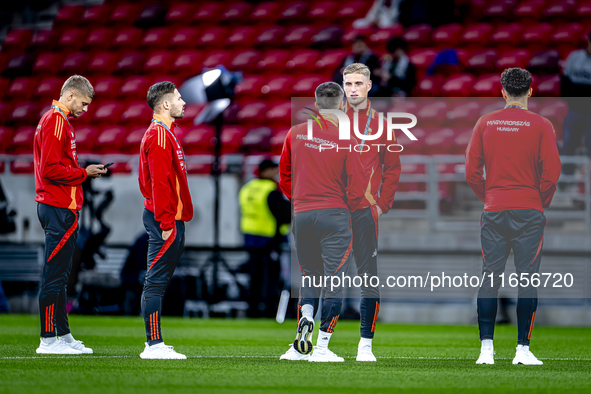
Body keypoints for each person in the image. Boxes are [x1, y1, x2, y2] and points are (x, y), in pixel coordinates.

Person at [465, 68, 561, 365]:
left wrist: (490, 196)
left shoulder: (485, 122)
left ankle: (486, 351)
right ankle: (522, 349)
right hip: (530, 210)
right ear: (530, 91)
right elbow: (552, 173)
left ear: (502, 91)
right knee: (527, 279)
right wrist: (538, 201)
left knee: (489, 278)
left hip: (494, 210)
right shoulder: (542, 124)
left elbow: (470, 172)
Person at [278, 82, 367, 362]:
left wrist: (302, 199)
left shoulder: (295, 133)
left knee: (310, 276)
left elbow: (284, 177)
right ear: (341, 106)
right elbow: (357, 184)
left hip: (302, 214)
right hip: (335, 215)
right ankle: (322, 346)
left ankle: (300, 336)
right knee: (334, 281)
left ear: (316, 106)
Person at [34, 75, 106, 354]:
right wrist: (83, 173)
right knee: (54, 275)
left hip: (61, 206)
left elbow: (56, 165)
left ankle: (62, 335)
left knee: (62, 275)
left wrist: (83, 173)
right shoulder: (55, 121)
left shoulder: (57, 121)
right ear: (70, 95)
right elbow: (49, 169)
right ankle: (47, 340)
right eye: (84, 104)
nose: (85, 110)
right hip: (57, 207)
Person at [342, 63, 402, 361]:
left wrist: (382, 204)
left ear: (368, 86)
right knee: (321, 276)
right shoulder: (329, 121)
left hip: (365, 211)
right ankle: (316, 342)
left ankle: (365, 344)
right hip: (332, 211)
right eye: (347, 83)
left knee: (368, 277)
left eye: (357, 83)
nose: (352, 88)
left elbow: (392, 169)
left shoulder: (382, 124)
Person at [138, 81, 193, 359]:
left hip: (169, 216)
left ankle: (155, 342)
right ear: (166, 104)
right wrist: (166, 222)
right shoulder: (159, 136)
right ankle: (153, 344)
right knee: (156, 281)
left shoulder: (166, 134)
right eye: (180, 99)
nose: (184, 103)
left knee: (158, 280)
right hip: (164, 219)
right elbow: (160, 184)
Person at [239, 159, 291, 318]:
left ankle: (252, 312)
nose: (276, 173)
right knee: (270, 279)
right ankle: (269, 313)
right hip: (269, 240)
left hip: (250, 238)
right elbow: (285, 214)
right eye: (273, 169)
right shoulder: (270, 190)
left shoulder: (248, 188)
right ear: (265, 171)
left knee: (254, 279)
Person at [560, 31, 591, 174]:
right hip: (575, 110)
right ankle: (568, 180)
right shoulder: (575, 57)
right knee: (569, 145)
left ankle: (587, 186)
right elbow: (565, 83)